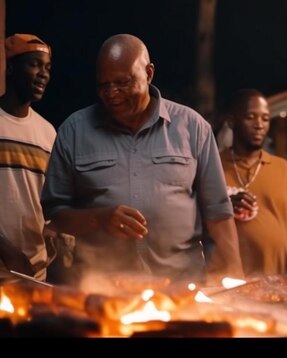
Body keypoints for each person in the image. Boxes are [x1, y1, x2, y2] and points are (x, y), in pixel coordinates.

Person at [40, 34, 243, 285]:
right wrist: (100, 219)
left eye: (122, 83)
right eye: (103, 85)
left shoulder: (193, 128)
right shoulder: (74, 131)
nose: (111, 94)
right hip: (102, 288)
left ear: (148, 73)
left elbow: (218, 213)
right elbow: (55, 214)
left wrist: (234, 277)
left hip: (182, 288)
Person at [218, 89, 287, 276]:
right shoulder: (213, 165)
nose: (259, 125)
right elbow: (193, 221)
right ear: (232, 122)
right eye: (250, 117)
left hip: (279, 282)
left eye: (265, 118)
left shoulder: (283, 169)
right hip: (227, 283)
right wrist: (221, 207)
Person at [0, 34, 55, 281]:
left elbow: (48, 201)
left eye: (47, 67)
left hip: (35, 271)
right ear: (10, 67)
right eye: (34, 64)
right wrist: (5, 249)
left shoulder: (47, 133)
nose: (43, 74)